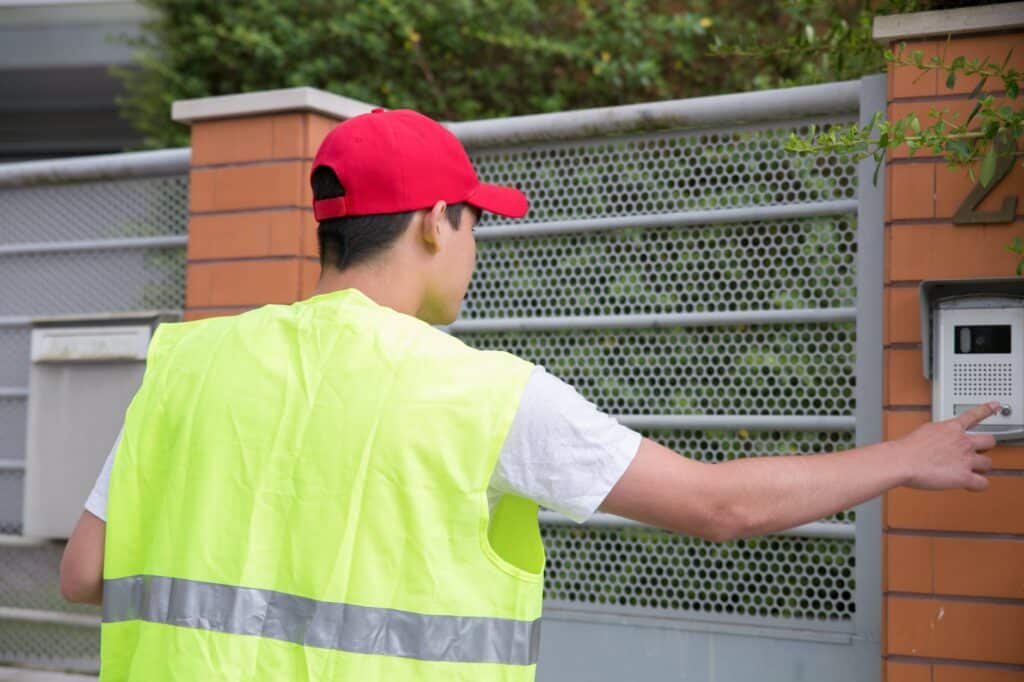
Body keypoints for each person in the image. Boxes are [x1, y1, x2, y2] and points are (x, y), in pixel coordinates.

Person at [60, 108, 999, 681]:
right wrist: (911, 456)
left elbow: (84, 574)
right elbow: (719, 506)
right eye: (474, 224)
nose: (474, 248)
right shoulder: (482, 393)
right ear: (435, 224)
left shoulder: (188, 366)